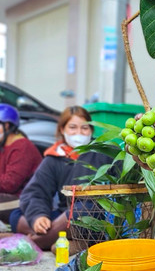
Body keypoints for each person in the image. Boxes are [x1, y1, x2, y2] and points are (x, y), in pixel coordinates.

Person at [17, 106, 113, 251]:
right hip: (64, 216)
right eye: (73, 128)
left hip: (96, 216)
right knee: (17, 213)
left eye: (84, 128)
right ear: (62, 130)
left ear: (91, 130)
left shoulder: (104, 152)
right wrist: (38, 217)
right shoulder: (54, 157)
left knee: (82, 210)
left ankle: (36, 241)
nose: (79, 133)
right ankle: (61, 238)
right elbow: (35, 192)